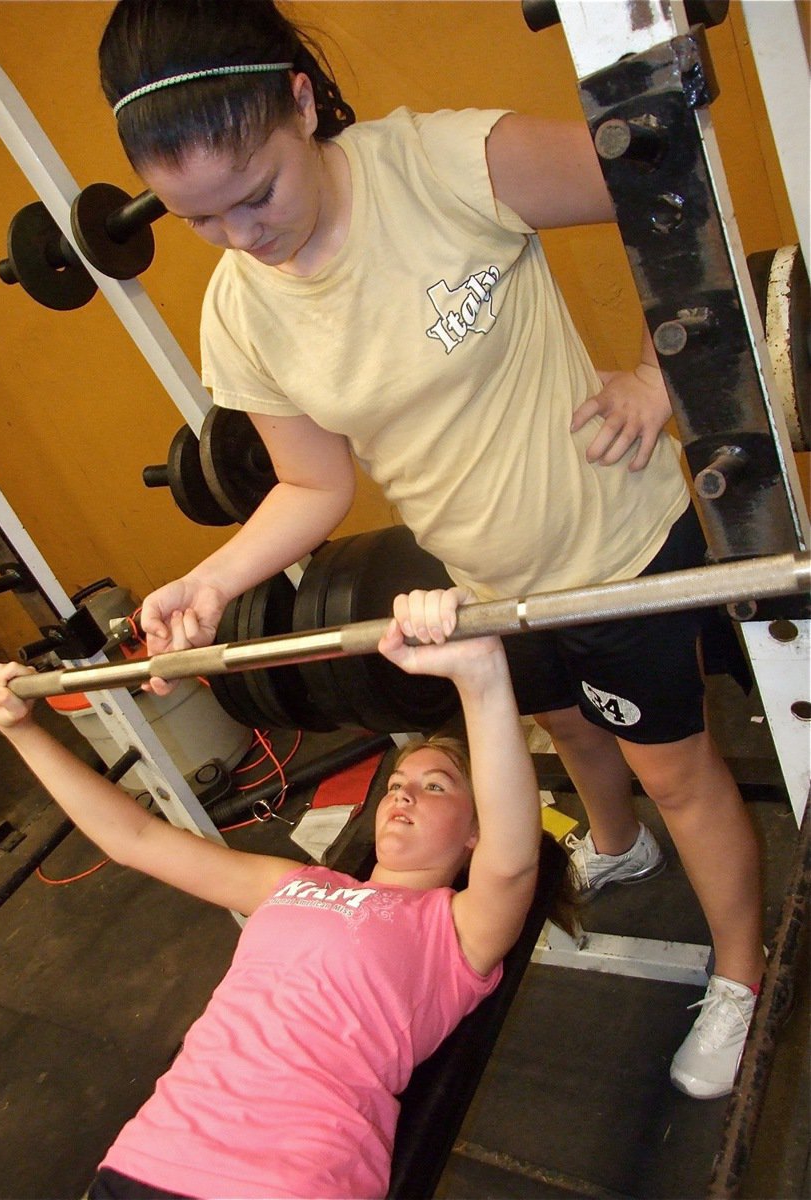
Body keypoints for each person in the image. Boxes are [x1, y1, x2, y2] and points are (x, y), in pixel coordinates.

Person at [96, 0, 765, 1099]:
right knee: (563, 732)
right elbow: (317, 484)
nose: (243, 238)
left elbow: (666, 178)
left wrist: (661, 372)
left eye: (254, 193)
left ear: (301, 102)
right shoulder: (242, 312)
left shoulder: (447, 163)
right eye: (200, 219)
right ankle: (617, 846)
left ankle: (739, 972)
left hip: (617, 547)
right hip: (486, 582)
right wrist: (210, 583)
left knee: (675, 773)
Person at [0, 586, 542, 1200]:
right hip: (147, 1158)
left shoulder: (456, 930)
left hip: (289, 1177)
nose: (402, 795)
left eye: (436, 788)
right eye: (398, 783)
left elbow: (512, 863)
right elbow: (134, 835)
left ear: (475, 831)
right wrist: (21, 730)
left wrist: (479, 677)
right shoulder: (293, 883)